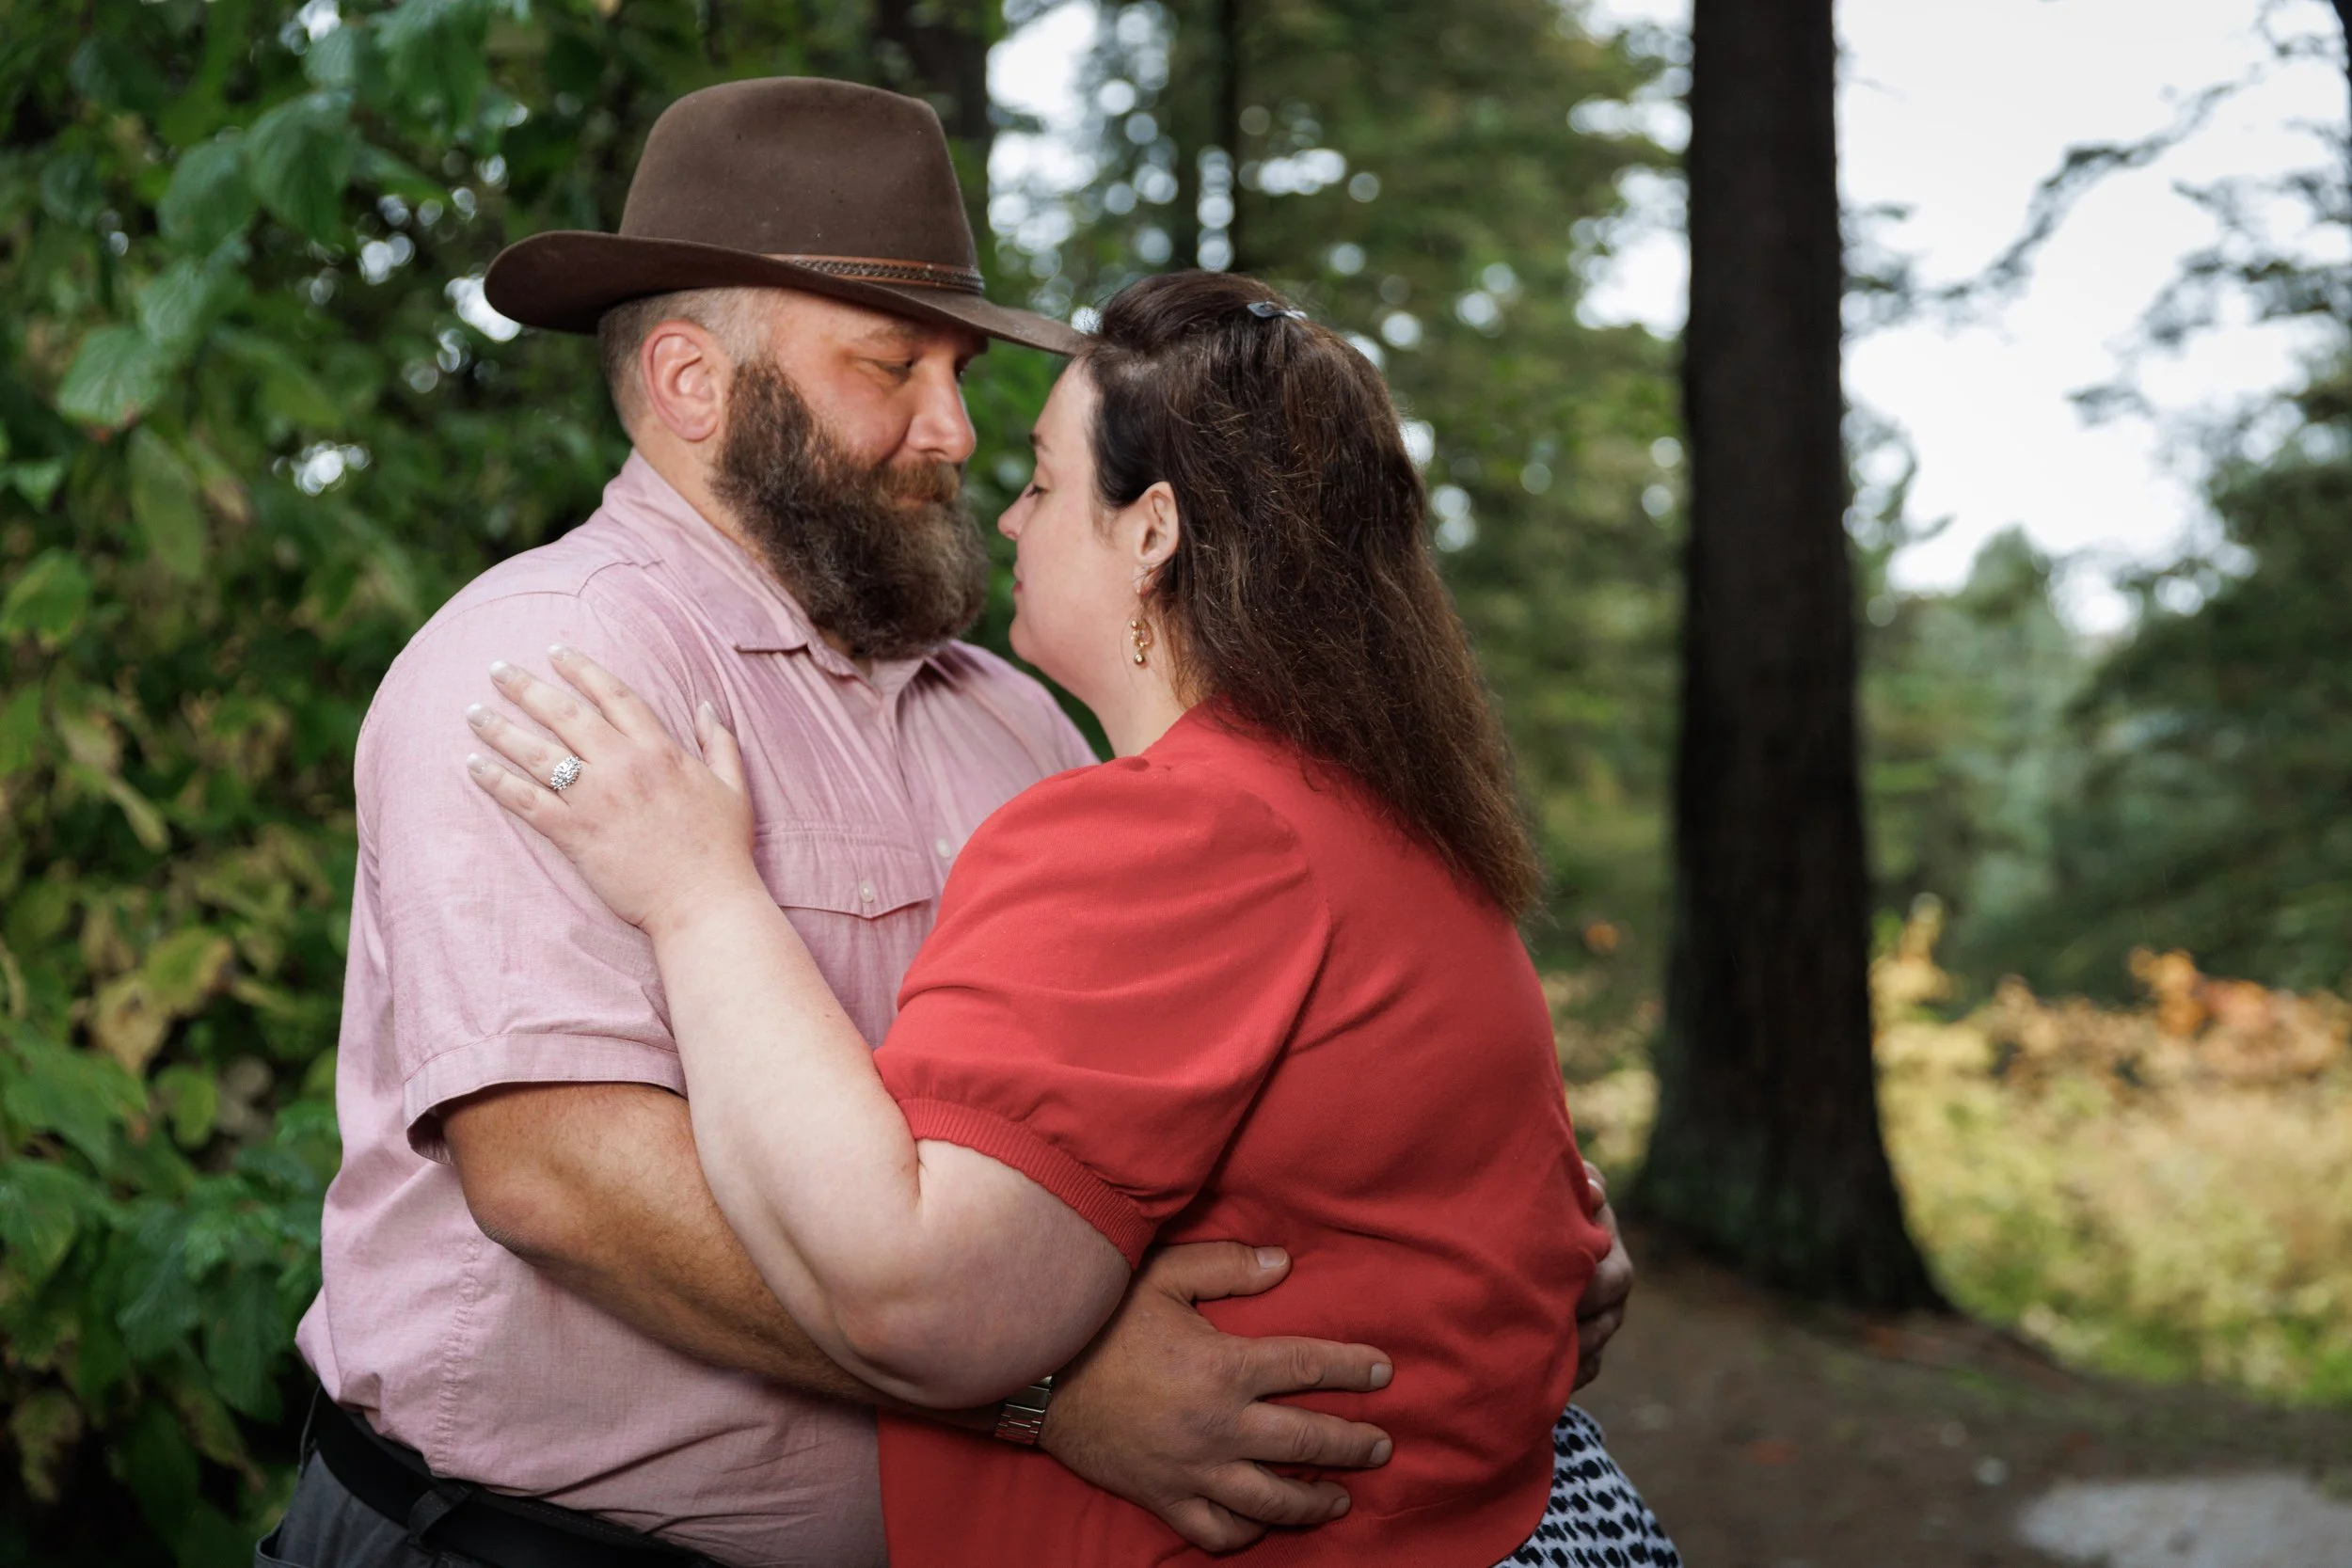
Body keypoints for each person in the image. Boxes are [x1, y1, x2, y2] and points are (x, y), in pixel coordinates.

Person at [273, 78, 1634, 1568]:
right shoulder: (548, 665)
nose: (952, 429)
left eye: (963, 373)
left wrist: (1493, 1227)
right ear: (691, 380)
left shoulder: (1019, 716)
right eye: (892, 366)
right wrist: (1038, 1392)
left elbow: (1175, 1105)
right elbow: (561, 1180)